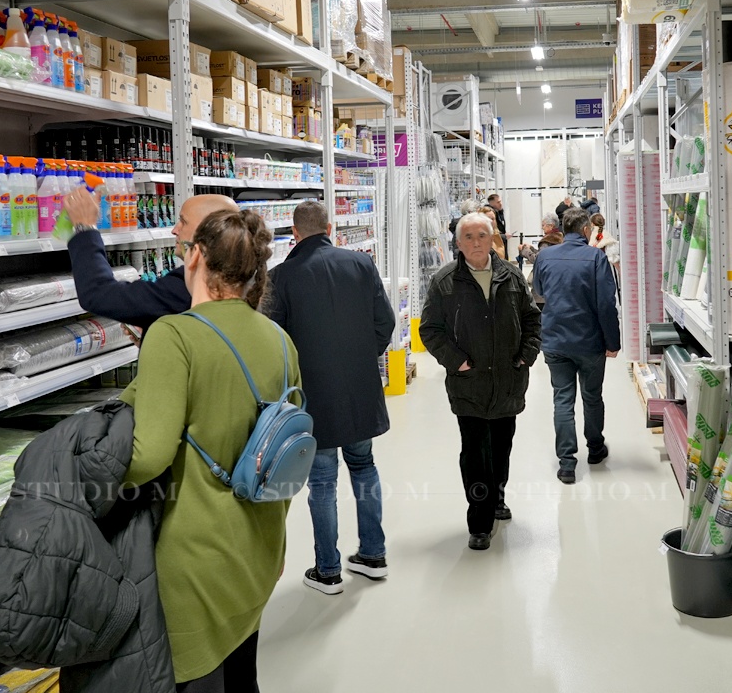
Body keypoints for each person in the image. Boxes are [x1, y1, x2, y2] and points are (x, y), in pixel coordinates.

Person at [119, 209, 294, 693]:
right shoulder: (277, 338)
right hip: (259, 545)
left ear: (195, 256)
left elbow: (147, 455)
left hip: (195, 558)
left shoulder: (173, 334)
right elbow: (286, 451)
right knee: (242, 685)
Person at [263, 200, 395, 596]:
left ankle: (328, 570)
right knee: (364, 466)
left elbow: (275, 344)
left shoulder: (280, 278)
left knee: (322, 481)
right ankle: (373, 555)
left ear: (294, 233)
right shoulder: (361, 264)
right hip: (360, 389)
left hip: (313, 396)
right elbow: (385, 322)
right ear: (330, 228)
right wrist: (361, 358)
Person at [419, 212, 540, 551]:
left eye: (482, 236)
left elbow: (532, 320)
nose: (476, 242)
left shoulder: (512, 277)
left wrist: (525, 355)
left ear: (492, 239)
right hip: (468, 385)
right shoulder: (445, 282)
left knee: (501, 448)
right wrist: (457, 361)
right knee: (475, 454)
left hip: (507, 381)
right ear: (458, 243)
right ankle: (479, 522)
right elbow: (430, 330)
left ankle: (497, 497)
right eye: (469, 237)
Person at [531, 207, 621, 485]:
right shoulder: (596, 258)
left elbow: (539, 291)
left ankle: (567, 463)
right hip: (589, 341)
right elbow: (606, 304)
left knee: (562, 399)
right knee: (592, 396)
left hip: (555, 339)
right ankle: (595, 449)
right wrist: (613, 341)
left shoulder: (544, 256)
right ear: (585, 230)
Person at [63, 188, 239, 328]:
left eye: (183, 222)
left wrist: (85, 227)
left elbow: (98, 295)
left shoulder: (189, 286)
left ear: (209, 231)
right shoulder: (237, 278)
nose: (174, 230)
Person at [486, 193, 508, 259]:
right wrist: (504, 236)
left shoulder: (500, 212)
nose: (500, 204)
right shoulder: (490, 213)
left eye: (500, 201)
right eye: (498, 202)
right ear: (492, 203)